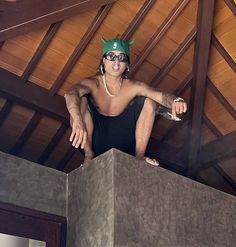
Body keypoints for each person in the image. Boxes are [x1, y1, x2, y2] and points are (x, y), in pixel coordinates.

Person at [64, 37, 187, 166]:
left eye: (122, 58)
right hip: (95, 141)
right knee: (81, 101)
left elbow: (161, 96)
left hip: (123, 141)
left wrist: (176, 100)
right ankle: (89, 156)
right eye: (111, 56)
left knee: (148, 102)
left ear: (127, 64)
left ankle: (139, 157)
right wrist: (77, 120)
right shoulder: (92, 83)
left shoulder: (133, 86)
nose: (116, 62)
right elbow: (71, 94)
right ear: (104, 61)